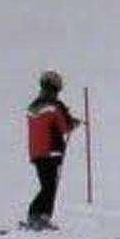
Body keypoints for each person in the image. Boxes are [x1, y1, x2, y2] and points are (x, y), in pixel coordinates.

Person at [24, 70, 78, 230]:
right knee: (50, 187)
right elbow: (64, 126)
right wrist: (73, 123)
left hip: (36, 152)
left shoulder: (33, 106)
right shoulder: (55, 106)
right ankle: (39, 216)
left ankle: (37, 215)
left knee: (46, 185)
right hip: (51, 150)